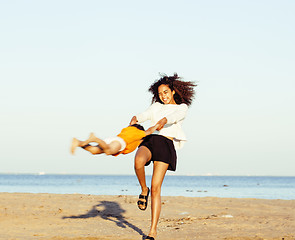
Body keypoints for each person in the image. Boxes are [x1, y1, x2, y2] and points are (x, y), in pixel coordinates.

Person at [129, 73, 196, 240]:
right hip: (150, 141)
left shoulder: (181, 108)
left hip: (165, 144)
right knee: (138, 161)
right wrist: (136, 118)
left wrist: (162, 121)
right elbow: (144, 115)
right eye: (160, 94)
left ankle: (152, 231)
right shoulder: (156, 107)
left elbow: (173, 117)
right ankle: (144, 189)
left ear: (172, 91)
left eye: (165, 92)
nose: (163, 96)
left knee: (156, 188)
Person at [70, 124, 159, 156]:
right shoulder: (138, 134)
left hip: (112, 139)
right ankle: (95, 138)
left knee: (93, 151)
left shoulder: (127, 129)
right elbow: (148, 131)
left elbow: (133, 122)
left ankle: (78, 142)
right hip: (120, 143)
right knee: (108, 151)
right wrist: (156, 126)